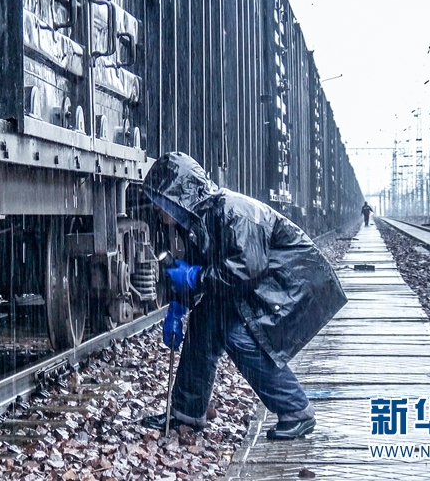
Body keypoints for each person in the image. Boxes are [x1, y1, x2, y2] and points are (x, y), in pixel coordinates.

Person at [141, 152, 347, 440]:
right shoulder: (201, 219)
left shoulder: (233, 213)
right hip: (266, 284)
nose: (156, 208)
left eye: (160, 201)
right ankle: (186, 413)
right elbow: (205, 271)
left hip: (290, 283)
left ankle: (296, 411)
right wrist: (178, 306)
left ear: (178, 197)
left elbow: (244, 272)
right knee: (205, 322)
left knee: (240, 334)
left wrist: (193, 277)